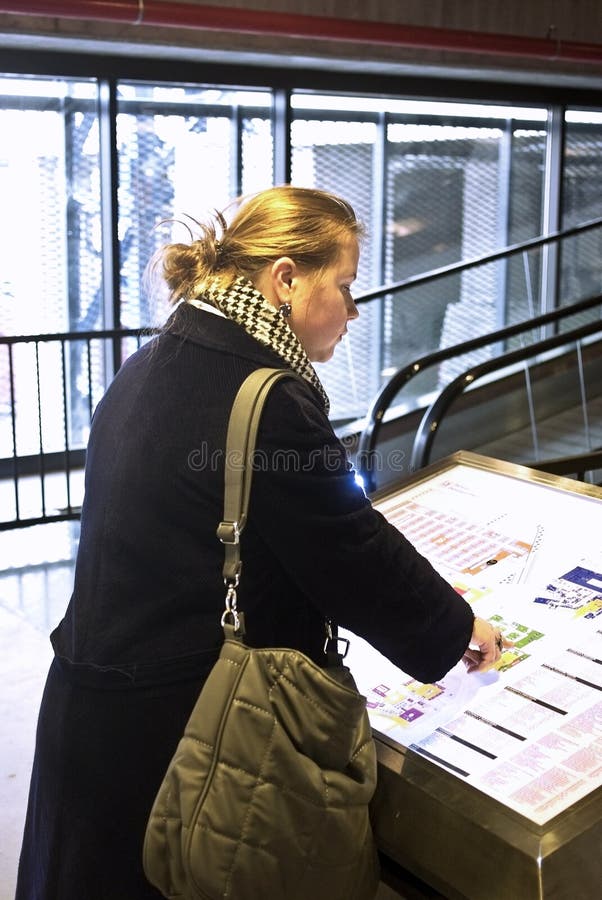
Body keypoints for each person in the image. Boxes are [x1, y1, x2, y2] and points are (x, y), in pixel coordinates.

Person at [16, 185, 504, 899]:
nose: (353, 309)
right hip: (181, 745)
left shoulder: (156, 360)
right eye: (343, 284)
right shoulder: (263, 394)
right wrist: (454, 626)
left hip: (94, 724)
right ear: (285, 280)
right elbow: (348, 544)